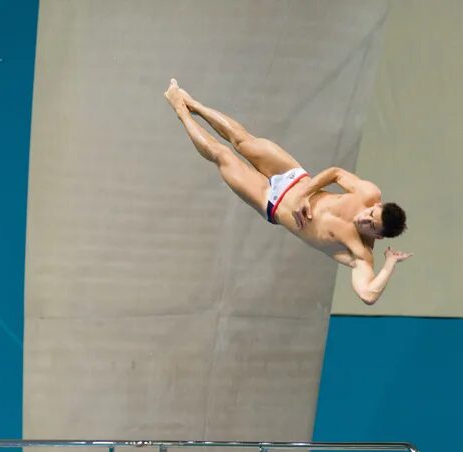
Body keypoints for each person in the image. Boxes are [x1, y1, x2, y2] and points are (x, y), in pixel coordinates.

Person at [164, 79, 411, 304]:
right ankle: (193, 104)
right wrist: (305, 194)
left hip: (269, 201)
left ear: (377, 236)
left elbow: (367, 295)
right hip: (293, 176)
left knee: (222, 155)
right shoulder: (368, 193)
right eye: (371, 213)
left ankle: (180, 111)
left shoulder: (360, 253)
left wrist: (389, 264)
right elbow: (335, 173)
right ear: (377, 204)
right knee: (242, 140)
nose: (364, 218)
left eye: (370, 225)